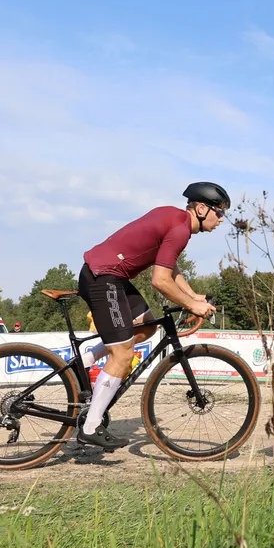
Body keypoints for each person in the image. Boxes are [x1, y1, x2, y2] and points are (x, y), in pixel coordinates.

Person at [74, 182, 228, 451]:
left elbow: (171, 267)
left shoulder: (175, 220)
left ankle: (82, 362)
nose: (222, 219)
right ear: (202, 208)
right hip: (105, 277)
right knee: (122, 355)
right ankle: (90, 427)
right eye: (219, 212)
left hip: (111, 275)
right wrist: (191, 306)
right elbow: (160, 280)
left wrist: (194, 297)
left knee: (146, 327)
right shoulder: (180, 229)